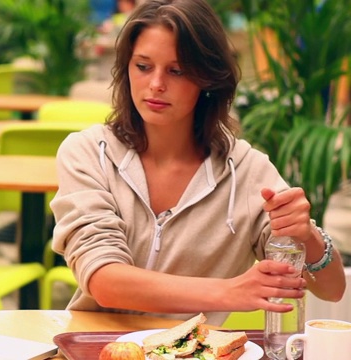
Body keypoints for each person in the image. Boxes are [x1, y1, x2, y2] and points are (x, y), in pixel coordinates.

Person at [50, 0, 346, 326]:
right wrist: (229, 292)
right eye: (143, 66)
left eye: (176, 71)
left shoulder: (247, 171)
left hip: (194, 352)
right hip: (97, 346)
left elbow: (332, 290)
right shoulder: (90, 153)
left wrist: (308, 236)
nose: (156, 84)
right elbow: (105, 281)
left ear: (207, 78)